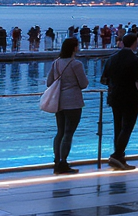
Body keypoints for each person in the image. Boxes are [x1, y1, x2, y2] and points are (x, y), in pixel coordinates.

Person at [99, 33, 138, 171]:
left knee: (117, 127)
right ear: (135, 43)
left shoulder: (112, 59)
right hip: (130, 97)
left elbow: (103, 79)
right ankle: (117, 155)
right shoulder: (136, 60)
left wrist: (113, 86)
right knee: (127, 127)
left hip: (114, 96)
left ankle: (119, 157)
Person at [47, 38, 87, 174]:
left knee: (60, 132)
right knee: (69, 133)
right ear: (74, 48)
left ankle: (57, 161)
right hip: (73, 102)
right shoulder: (76, 64)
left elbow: (49, 82)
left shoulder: (56, 63)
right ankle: (64, 163)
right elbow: (84, 84)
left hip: (59, 101)